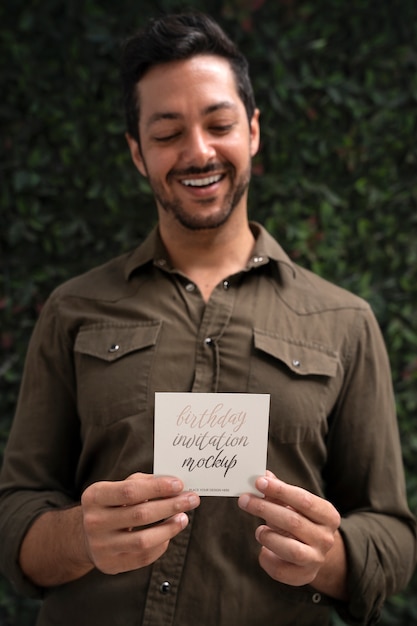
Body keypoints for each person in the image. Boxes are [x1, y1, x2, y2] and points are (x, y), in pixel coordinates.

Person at [0, 12, 415, 626]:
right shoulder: (74, 309)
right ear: (138, 154)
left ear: (252, 132)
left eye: (218, 124)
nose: (198, 151)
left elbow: (393, 534)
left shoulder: (345, 321)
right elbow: (14, 516)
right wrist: (78, 539)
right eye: (167, 133)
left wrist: (330, 558)